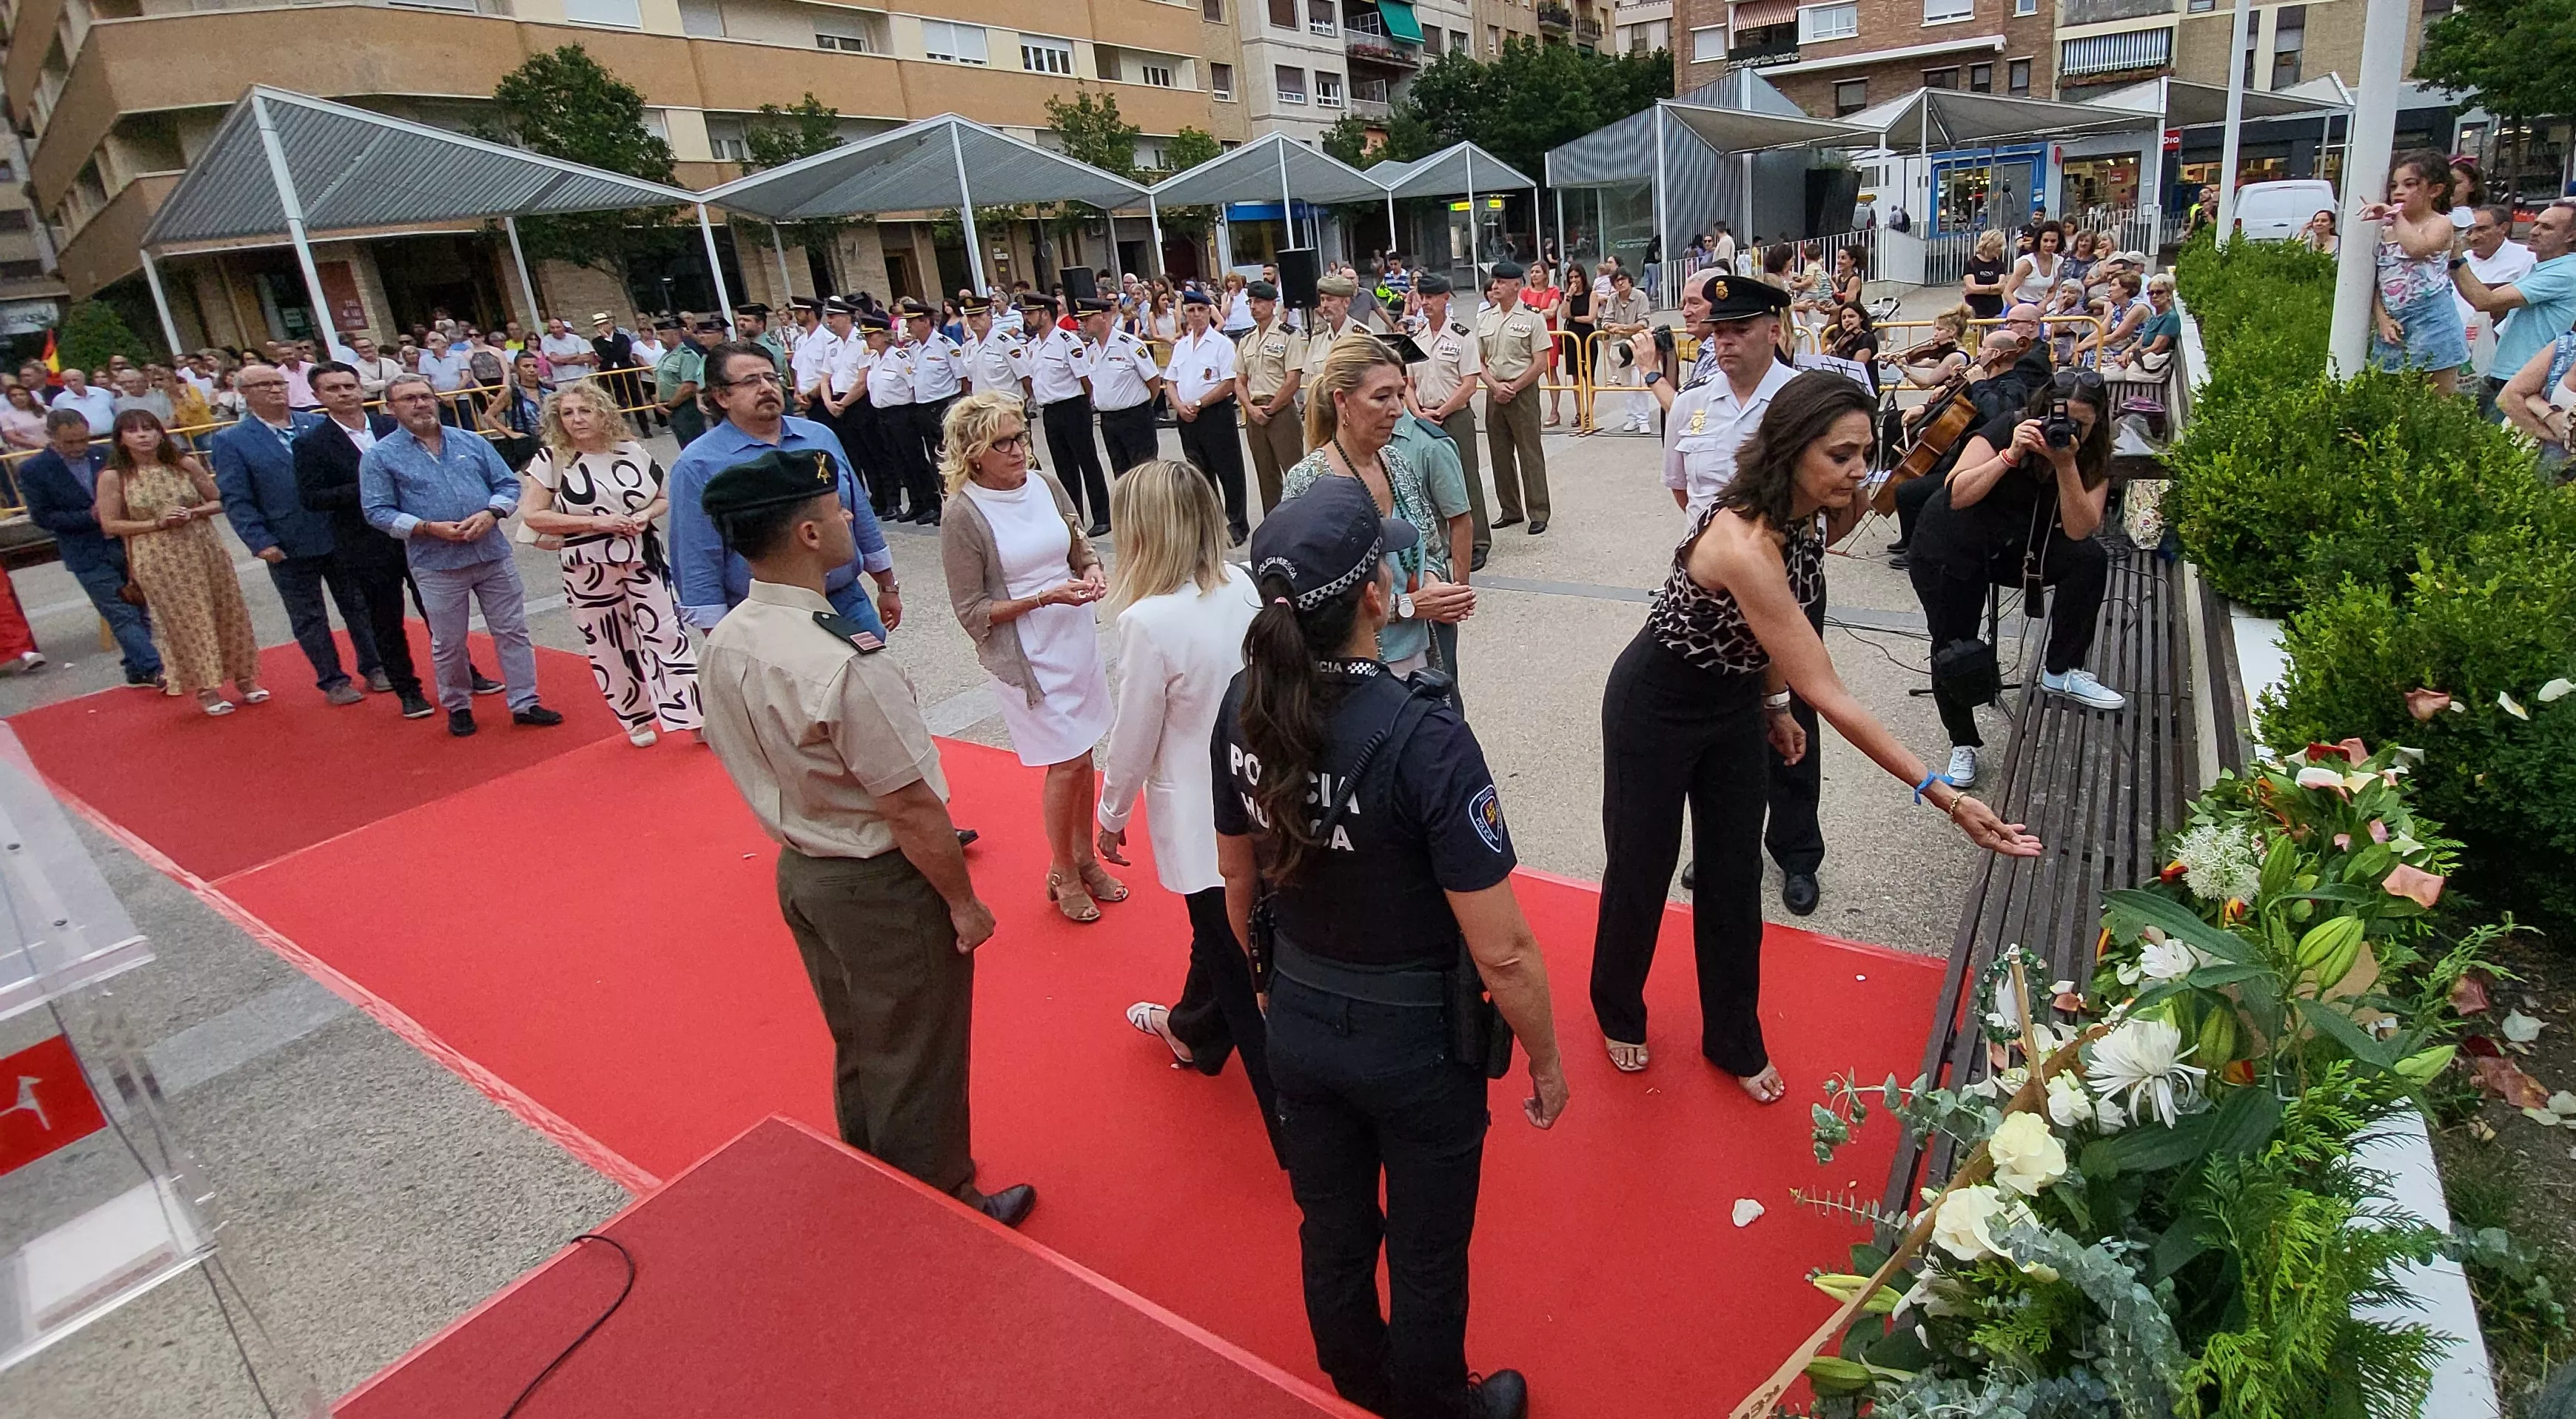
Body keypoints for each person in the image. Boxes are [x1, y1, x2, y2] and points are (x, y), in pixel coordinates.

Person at [1212, 475, 1566, 1419]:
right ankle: (1433, 1401)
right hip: (1415, 1039)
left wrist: (1266, 987)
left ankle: (1354, 1371)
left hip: (1301, 1007)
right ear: (1377, 594)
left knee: (1330, 1222)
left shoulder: (1243, 705)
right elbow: (1504, 953)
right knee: (1426, 1246)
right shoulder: (1426, 737)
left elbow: (1235, 878)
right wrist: (1545, 1053)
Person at [1593, 372, 2040, 1085]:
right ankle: (1617, 1007)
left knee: (1735, 877)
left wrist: (1772, 705)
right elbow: (1827, 690)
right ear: (1791, 450)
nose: (1860, 470)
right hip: (1657, 702)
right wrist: (1942, 792)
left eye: (1866, 452)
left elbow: (1770, 637)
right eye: (1840, 455)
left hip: (1736, 702)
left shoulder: (1812, 512)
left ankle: (1733, 1039)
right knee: (1642, 866)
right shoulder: (1743, 539)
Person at [692, 448, 1031, 1228]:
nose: (850, 517)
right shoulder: (841, 661)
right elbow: (912, 807)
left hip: (804, 866)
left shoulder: (733, 636)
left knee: (860, 1035)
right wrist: (964, 902)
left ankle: (872, 1161)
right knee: (919, 1048)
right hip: (877, 878)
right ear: (808, 533)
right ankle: (940, 1198)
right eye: (838, 510)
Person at [1094, 460, 1278, 1150]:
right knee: (1224, 943)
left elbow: (1134, 734)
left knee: (1238, 968)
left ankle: (1290, 1125)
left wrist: (1110, 816)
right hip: (1257, 798)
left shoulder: (1146, 620)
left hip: (1204, 821)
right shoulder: (1241, 586)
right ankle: (1194, 1031)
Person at [1634, 274, 1823, 913]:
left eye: (1739, 329)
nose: (1725, 342)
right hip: (1711, 596)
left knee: (1795, 712)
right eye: (1717, 331)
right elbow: (1682, 491)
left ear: (1775, 328)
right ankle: (1723, 837)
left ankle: (1797, 849)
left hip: (1783, 583)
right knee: (1720, 721)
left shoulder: (1803, 402)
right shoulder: (1692, 403)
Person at [936, 392, 1121, 922]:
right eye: (1003, 443)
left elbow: (1076, 541)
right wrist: (1042, 597)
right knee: (1063, 761)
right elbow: (970, 609)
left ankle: (1084, 856)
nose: (1019, 450)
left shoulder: (1045, 484)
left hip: (1074, 636)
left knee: (1084, 752)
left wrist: (1090, 571)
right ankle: (1062, 867)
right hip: (1026, 655)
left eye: (1021, 437)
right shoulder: (963, 514)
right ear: (973, 453)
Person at [1908, 370, 2125, 792]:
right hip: (1950, 543)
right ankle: (1963, 742)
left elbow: (2082, 529)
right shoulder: (2007, 426)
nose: (2065, 428)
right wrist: (2010, 454)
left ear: (2098, 421)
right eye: (2057, 418)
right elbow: (1958, 495)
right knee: (1954, 647)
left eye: (2080, 423)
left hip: (2017, 545)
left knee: (2089, 560)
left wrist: (2065, 464)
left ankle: (2061, 669)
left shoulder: (2093, 453)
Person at [360, 375, 565, 737]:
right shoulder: (380, 456)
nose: (420, 404)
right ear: (391, 409)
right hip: (437, 563)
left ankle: (525, 702)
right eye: (409, 399)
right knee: (449, 642)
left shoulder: (471, 441)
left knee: (512, 631)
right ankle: (457, 704)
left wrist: (492, 513)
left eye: (425, 396)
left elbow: (505, 485)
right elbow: (377, 511)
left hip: (492, 555)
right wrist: (426, 527)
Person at [671, 341, 900, 645]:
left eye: (771, 378)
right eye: (751, 381)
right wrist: (720, 638)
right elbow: (697, 554)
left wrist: (886, 584)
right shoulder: (699, 463)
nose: (766, 387)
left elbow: (858, 512)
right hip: (767, 617)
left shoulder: (818, 437)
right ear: (722, 396)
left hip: (845, 601)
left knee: (875, 685)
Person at [1283, 333, 1476, 688]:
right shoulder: (1309, 481)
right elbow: (1311, 605)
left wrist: (1435, 585)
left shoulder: (1397, 464)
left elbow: (1431, 548)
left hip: (1420, 660)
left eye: (1400, 395)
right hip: (1352, 677)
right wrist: (1409, 606)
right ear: (1342, 401)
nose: (1398, 410)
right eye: (1381, 397)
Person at [518, 381, 700, 748]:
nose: (577, 419)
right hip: (588, 562)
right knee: (608, 640)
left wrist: (645, 514)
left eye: (584, 410)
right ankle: (636, 719)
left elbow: (663, 496)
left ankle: (691, 715)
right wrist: (596, 523)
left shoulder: (630, 450)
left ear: (602, 412)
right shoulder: (552, 458)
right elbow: (533, 515)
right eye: (568, 413)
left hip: (641, 554)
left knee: (666, 631)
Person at [210, 363, 384, 706]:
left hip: (339, 532)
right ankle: (332, 679)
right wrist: (260, 540)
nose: (276, 390)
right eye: (265, 385)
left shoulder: (315, 424)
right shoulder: (233, 440)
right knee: (308, 615)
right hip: (287, 540)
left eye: (279, 383)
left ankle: (376, 666)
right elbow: (236, 497)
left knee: (358, 604)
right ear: (245, 394)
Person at [95, 411, 265, 715]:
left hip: (203, 546)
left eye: (149, 429)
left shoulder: (183, 464)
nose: (143, 436)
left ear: (161, 433)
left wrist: (195, 512)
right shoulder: (114, 476)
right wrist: (156, 523)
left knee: (228, 610)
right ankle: (206, 689)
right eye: (133, 431)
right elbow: (110, 524)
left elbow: (220, 499)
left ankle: (245, 679)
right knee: (184, 620)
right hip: (157, 555)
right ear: (121, 438)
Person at [295, 363, 435, 719]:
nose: (344, 394)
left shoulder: (392, 426)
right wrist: (369, 487)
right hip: (364, 543)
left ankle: (464, 671)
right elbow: (312, 497)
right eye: (333, 389)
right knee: (386, 620)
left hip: (419, 533)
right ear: (318, 397)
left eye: (348, 386)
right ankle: (408, 689)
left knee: (439, 610)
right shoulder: (312, 443)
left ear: (361, 389)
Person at [20, 409, 161, 687]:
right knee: (120, 614)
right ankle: (155, 666)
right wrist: (89, 516)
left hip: (125, 544)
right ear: (51, 437)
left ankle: (136, 668)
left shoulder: (106, 455)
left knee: (139, 606)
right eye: (69, 442)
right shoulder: (34, 470)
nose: (78, 448)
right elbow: (43, 517)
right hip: (86, 551)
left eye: (83, 440)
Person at [2361, 150, 2472, 394]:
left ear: (2435, 190)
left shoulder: (2440, 223)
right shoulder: (2387, 231)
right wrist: (2381, 318)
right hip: (2396, 323)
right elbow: (2377, 281)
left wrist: (2396, 215)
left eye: (2409, 184)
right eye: (2394, 186)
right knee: (2391, 397)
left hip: (2434, 322)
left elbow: (2418, 249)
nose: (2398, 192)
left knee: (2437, 400)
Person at [1403, 272, 1492, 572]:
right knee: (1430, 482)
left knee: (1466, 479)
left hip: (1454, 417)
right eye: (1421, 298)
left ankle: (1478, 542)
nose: (1425, 304)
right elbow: (1408, 385)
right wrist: (1418, 414)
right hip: (1424, 416)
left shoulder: (1462, 336)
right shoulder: (1416, 339)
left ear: (1445, 299)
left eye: (1431, 298)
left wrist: (1442, 412)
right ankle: (1442, 543)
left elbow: (1469, 384)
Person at [2459, 201, 2576, 419]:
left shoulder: (2565, 272)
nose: (2534, 231)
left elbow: (2486, 301)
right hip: (2507, 377)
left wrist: (2454, 256)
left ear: (2571, 237)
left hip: (2525, 385)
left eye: (2547, 227)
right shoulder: (2545, 267)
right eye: (2536, 224)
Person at [1164, 289, 1250, 543]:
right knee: (1199, 474)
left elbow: (1229, 382)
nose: (1196, 315)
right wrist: (1179, 405)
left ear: (1209, 312)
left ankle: (1236, 522)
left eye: (1201, 310)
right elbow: (1170, 381)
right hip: (1187, 418)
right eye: (1191, 310)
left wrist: (1199, 403)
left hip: (1215, 414)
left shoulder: (1222, 344)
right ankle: (1210, 524)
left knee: (1229, 470)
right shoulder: (1180, 346)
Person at [1478, 261, 1552, 537]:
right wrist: (1494, 386)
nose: (1495, 287)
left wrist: (1513, 387)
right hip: (1494, 390)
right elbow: (1480, 361)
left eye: (1501, 282)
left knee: (1529, 452)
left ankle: (1539, 511)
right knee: (1499, 453)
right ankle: (1510, 509)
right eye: (1494, 282)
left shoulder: (1533, 318)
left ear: (1516, 286)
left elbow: (1540, 362)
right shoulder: (1485, 318)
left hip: (1522, 391)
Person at [1235, 280, 1308, 513]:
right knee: (1265, 476)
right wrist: (1251, 408)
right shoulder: (1247, 339)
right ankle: (1273, 524)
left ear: (1273, 304)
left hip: (1281, 411)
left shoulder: (1289, 335)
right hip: (1255, 412)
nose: (1253, 307)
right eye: (1251, 302)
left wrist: (1271, 409)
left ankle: (1303, 521)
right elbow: (1239, 381)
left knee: (1294, 472)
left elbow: (1292, 380)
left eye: (1259, 302)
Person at [894, 298, 963, 525]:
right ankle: (944, 505)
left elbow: (963, 381)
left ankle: (959, 506)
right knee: (934, 461)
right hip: (921, 408)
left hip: (943, 407)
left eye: (912, 322)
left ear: (925, 322)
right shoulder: (913, 349)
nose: (909, 327)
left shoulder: (946, 346)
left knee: (951, 458)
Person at [1084, 296, 1164, 478]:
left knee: (1145, 474)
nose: (1083, 323)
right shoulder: (1092, 349)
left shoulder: (1129, 344)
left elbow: (1153, 380)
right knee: (1121, 474)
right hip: (1109, 420)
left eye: (1087, 318)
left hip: (1135, 416)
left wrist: (1143, 406)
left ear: (1103, 317)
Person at [2498, 324, 2576, 476]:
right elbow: (2507, 398)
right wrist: (2552, 431)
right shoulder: (2566, 348)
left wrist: (2538, 405)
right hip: (2529, 463)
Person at [1597, 267, 1654, 435]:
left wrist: (1622, 327)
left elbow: (1643, 322)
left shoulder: (1640, 297)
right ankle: (1631, 418)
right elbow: (1606, 320)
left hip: (1638, 344)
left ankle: (1643, 419)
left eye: (1623, 279)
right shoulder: (1613, 299)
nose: (1620, 283)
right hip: (1619, 348)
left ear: (1630, 280)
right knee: (1627, 384)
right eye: (1617, 281)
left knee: (1639, 382)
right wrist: (1610, 327)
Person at [653, 316, 708, 446]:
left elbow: (689, 387)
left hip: (686, 408)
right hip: (671, 410)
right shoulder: (666, 356)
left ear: (675, 334)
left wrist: (670, 405)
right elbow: (660, 380)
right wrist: (658, 402)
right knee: (684, 447)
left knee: (695, 446)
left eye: (662, 334)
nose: (658, 338)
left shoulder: (687, 355)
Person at [2008, 221, 2067, 309]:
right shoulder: (2027, 263)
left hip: (2038, 308)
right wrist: (2021, 310)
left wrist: (2044, 303)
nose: (2049, 244)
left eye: (2053, 241)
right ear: (2039, 240)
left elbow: (2052, 291)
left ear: (2058, 242)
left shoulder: (2057, 261)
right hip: (2017, 306)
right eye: (2045, 240)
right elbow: (2008, 292)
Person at [50, 368, 118, 436]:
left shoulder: (103, 393)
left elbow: (115, 412)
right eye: (68, 381)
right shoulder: (59, 400)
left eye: (75, 380)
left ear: (83, 379)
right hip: (82, 439)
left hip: (110, 436)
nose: (72, 383)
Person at [1962, 229, 2009, 321]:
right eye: (1998, 246)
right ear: (1989, 245)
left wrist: (1979, 289)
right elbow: (1972, 288)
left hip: (1995, 310)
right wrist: (1993, 288)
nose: (2001, 250)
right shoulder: (1971, 264)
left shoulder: (2000, 265)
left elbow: (2001, 289)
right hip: (1974, 310)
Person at [1, 383, 50, 451]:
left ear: (29, 396)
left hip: (51, 447)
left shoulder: (46, 409)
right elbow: (11, 436)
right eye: (14, 396)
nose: (18, 397)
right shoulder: (6, 416)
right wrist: (36, 444)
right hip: (26, 452)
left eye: (22, 394)